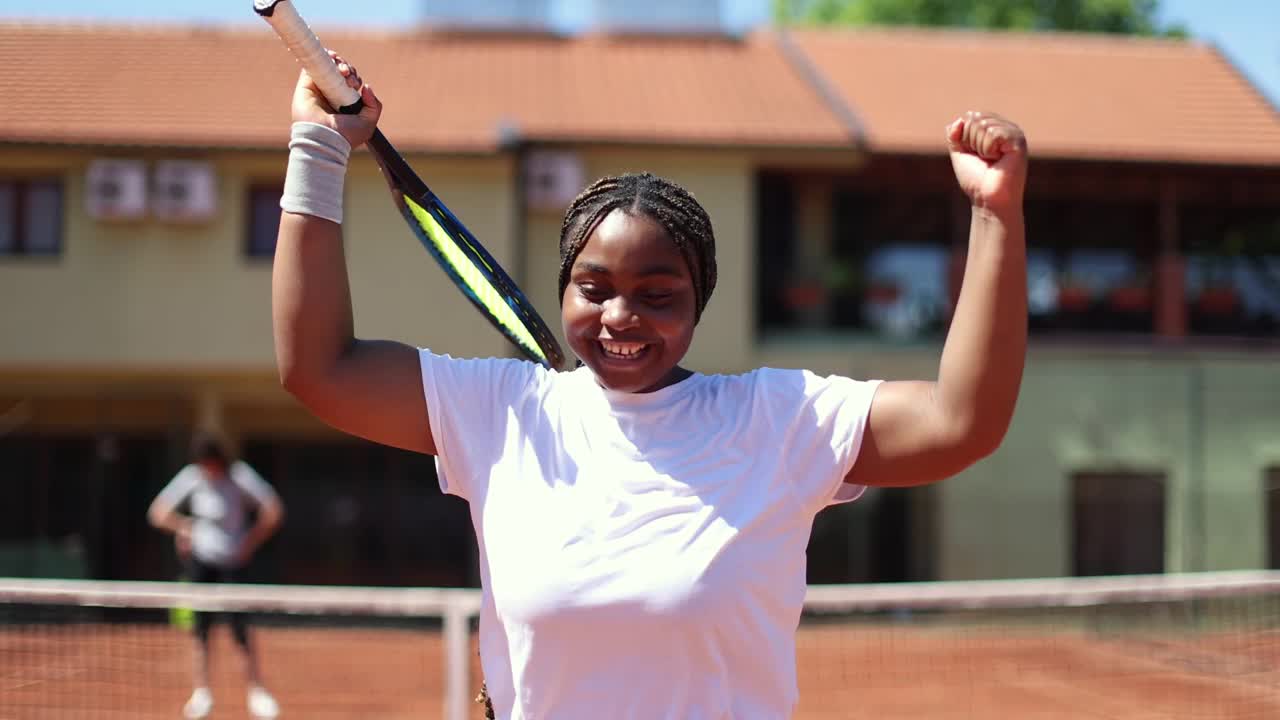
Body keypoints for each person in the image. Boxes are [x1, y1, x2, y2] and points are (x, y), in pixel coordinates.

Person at [273, 53, 1027, 720]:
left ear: (699, 300)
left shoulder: (777, 419)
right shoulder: (503, 413)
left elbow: (963, 421)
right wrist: (318, 146)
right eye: (593, 288)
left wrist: (995, 213)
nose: (620, 316)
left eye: (657, 293)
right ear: (564, 290)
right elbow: (320, 369)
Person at [147, 432, 286, 720]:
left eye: (211, 463)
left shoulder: (240, 476)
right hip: (201, 563)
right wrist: (184, 527)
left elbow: (274, 510)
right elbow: (157, 512)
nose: (208, 469)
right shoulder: (192, 477)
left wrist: (249, 541)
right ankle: (202, 692)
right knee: (200, 630)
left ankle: (256, 690)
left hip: (234, 564)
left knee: (240, 629)